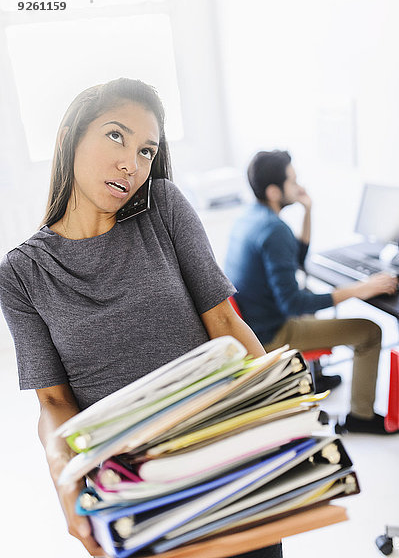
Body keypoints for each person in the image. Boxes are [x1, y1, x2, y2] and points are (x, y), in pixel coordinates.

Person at [0, 79, 282, 558]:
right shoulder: (22, 273)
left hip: (224, 458)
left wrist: (284, 413)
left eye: (147, 150)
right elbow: (53, 401)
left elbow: (227, 327)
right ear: (70, 134)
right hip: (134, 488)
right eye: (116, 136)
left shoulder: (164, 209)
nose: (131, 164)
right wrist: (64, 477)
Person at [225, 150, 398, 435]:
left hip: (252, 325)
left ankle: (317, 375)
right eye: (293, 181)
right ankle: (361, 417)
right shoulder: (274, 229)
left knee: (312, 295)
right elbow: (293, 303)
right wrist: (359, 290)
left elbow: (295, 259)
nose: (299, 186)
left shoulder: (252, 216)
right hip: (272, 333)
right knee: (370, 331)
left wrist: (307, 210)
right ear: (273, 191)